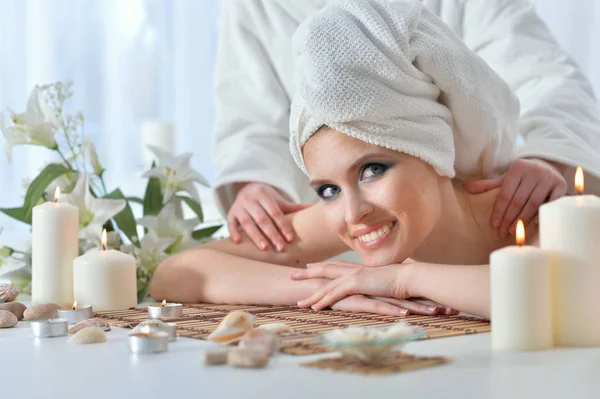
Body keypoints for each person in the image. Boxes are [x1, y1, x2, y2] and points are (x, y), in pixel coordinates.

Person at [151, 0, 570, 319]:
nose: (352, 213)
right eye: (327, 189)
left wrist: (403, 280)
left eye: (373, 169)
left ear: (431, 150)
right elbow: (177, 275)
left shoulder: (521, 213)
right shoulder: (354, 215)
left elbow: (556, 292)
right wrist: (334, 288)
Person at [212, 0, 600, 254]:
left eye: (373, 169)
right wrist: (254, 185)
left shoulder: (531, 235)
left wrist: (547, 159)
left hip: (471, 229)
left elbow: (547, 80)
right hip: (340, 253)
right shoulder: (254, 6)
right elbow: (250, 116)